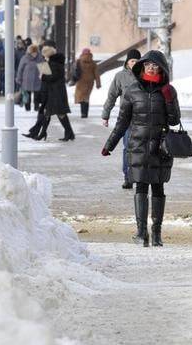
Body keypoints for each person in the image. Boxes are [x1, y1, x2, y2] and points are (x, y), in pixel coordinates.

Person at [102, 50, 181, 247]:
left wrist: (169, 100)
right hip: (137, 146)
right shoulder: (132, 91)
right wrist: (109, 145)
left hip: (160, 148)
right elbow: (122, 122)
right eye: (148, 65)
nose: (151, 68)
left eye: (155, 65)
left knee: (158, 187)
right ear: (142, 67)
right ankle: (141, 232)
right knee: (140, 187)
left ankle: (156, 233)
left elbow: (174, 120)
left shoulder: (168, 91)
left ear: (162, 68)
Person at [102, 49, 141, 189]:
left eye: (137, 61)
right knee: (128, 149)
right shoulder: (120, 77)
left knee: (142, 149)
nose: (134, 63)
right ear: (127, 62)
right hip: (127, 119)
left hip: (143, 119)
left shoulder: (144, 75)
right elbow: (111, 96)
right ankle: (128, 177)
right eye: (132, 61)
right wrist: (105, 115)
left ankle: (141, 177)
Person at [23, 43, 75, 141]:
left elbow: (53, 77)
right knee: (51, 112)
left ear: (47, 54)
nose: (43, 56)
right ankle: (42, 132)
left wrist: (42, 76)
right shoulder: (52, 63)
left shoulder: (54, 64)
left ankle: (67, 133)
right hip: (53, 91)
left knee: (58, 113)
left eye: (44, 54)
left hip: (56, 92)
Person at [74, 48, 101, 118]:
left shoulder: (79, 61)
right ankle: (85, 113)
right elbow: (96, 74)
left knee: (81, 97)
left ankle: (83, 113)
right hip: (90, 82)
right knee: (86, 97)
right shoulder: (93, 63)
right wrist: (98, 83)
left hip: (80, 81)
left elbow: (75, 70)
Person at [17, 44, 43, 111]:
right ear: (29, 52)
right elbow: (20, 69)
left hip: (37, 80)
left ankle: (36, 108)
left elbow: (44, 69)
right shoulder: (24, 58)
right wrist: (19, 79)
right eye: (33, 53)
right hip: (26, 80)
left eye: (35, 52)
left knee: (37, 96)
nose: (34, 54)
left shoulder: (40, 58)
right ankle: (27, 109)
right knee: (27, 96)